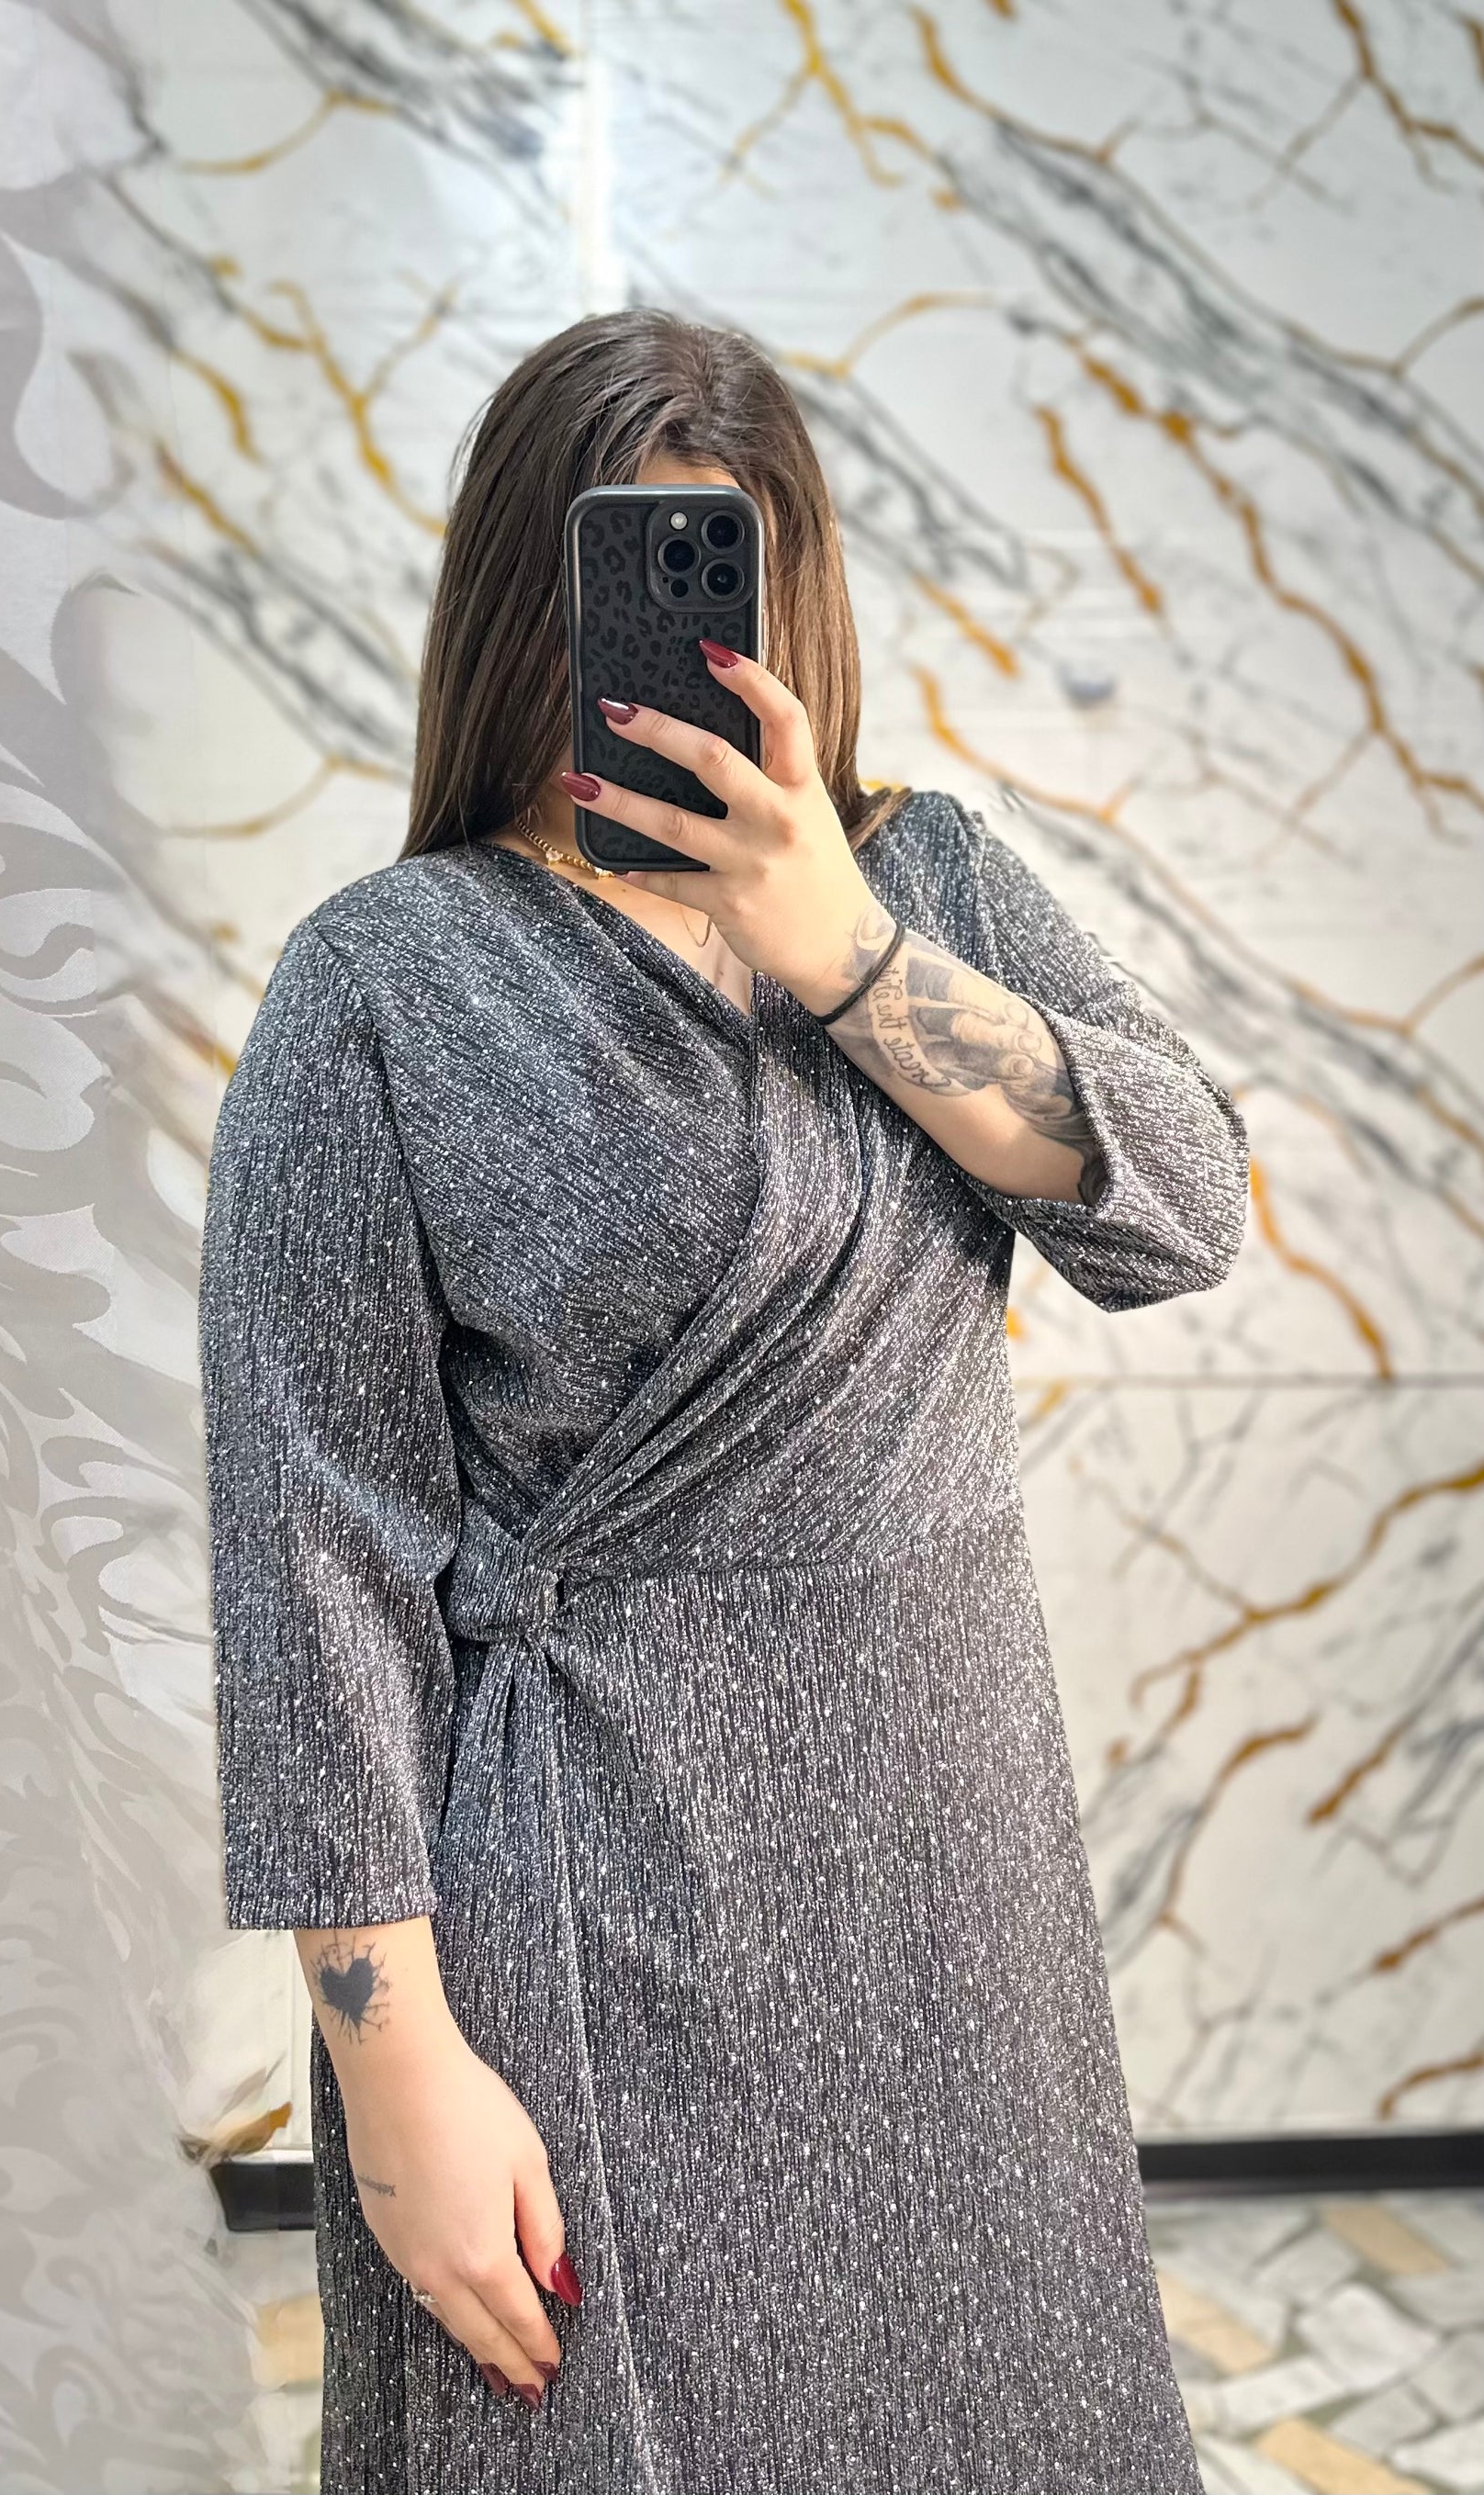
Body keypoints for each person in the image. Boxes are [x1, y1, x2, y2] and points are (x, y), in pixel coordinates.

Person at [199, 307, 1245, 2495]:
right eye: (633, 580)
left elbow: (1180, 1204)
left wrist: (836, 939)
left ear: (800, 600)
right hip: (592, 1878)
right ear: (529, 605)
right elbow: (314, 1568)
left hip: (943, 1882)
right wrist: (392, 2074)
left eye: (731, 581)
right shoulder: (380, 980)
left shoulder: (929, 883)